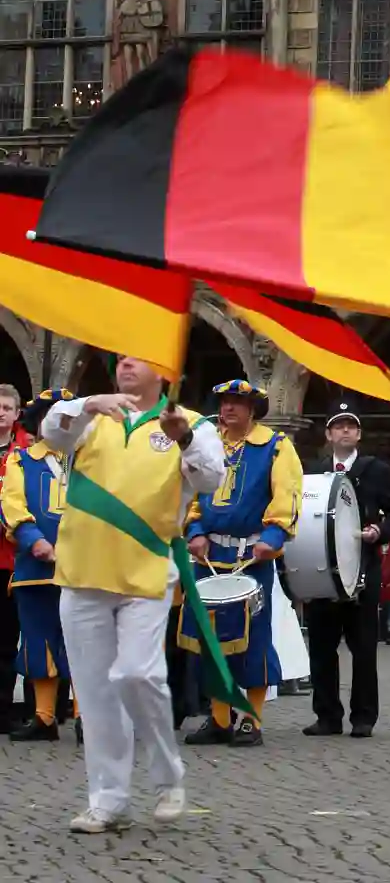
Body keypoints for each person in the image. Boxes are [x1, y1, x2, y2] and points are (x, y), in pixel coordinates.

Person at [41, 357, 225, 834]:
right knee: (97, 692)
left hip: (146, 568)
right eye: (119, 355)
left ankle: (168, 776)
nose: (124, 362)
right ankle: (109, 800)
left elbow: (209, 479)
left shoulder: (194, 424)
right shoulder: (91, 418)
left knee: (138, 673)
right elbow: (51, 434)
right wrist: (85, 404)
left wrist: (182, 436)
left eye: (136, 356)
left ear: (162, 369)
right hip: (83, 568)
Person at [181, 379, 303, 748]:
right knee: (212, 641)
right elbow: (191, 493)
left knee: (253, 639)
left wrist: (273, 538)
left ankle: (251, 718)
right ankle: (220, 718)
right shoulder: (207, 446)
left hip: (250, 559)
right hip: (208, 557)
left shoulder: (276, 447)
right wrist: (195, 529)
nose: (228, 408)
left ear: (253, 409)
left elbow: (288, 496)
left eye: (236, 402)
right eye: (223, 402)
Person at [303, 401, 390, 739]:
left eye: (351, 425)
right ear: (329, 433)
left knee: (363, 648)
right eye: (339, 425)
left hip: (362, 568)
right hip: (321, 568)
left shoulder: (376, 469)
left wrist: (379, 532)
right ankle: (327, 715)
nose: (345, 430)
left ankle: (363, 717)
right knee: (320, 648)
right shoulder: (314, 470)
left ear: (359, 433)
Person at [0, 390, 77, 742]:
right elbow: (11, 506)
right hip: (36, 565)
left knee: (84, 642)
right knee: (38, 639)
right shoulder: (22, 460)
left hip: (86, 566)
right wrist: (36, 541)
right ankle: (43, 717)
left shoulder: (91, 460)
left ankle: (85, 717)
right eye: (50, 415)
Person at [0, 383, 30, 734]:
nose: (0, 412)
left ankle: (6, 709)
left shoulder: (26, 453)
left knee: (9, 639)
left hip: (13, 558)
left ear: (17, 413)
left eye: (6, 407)